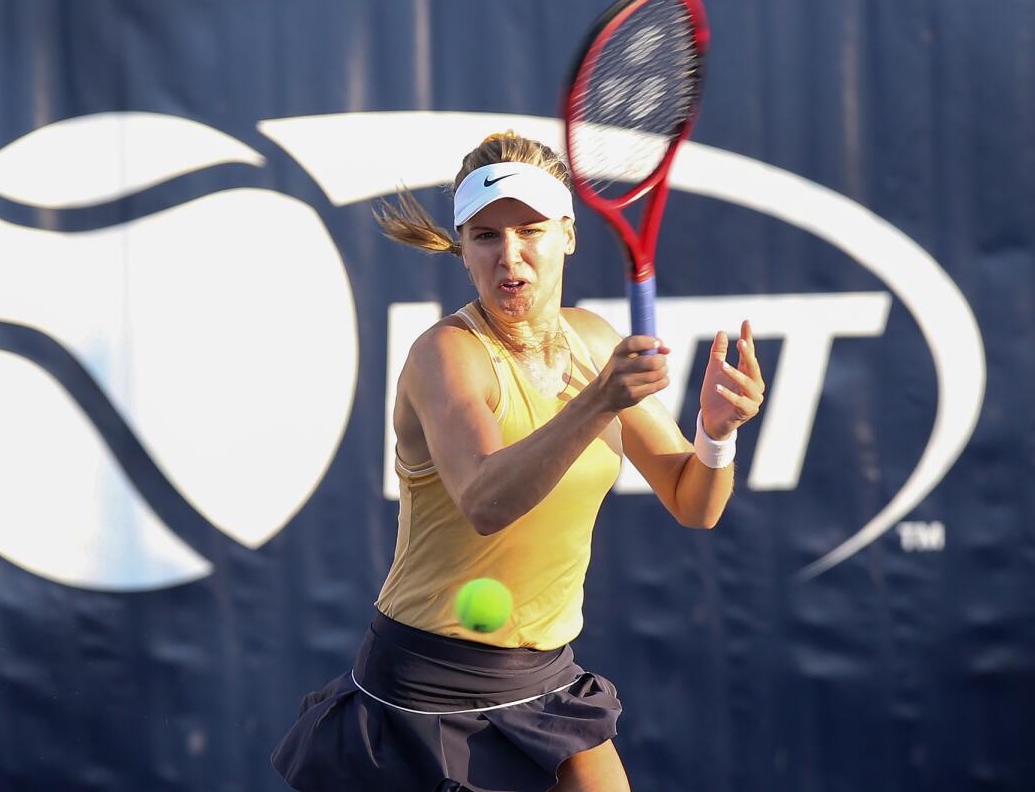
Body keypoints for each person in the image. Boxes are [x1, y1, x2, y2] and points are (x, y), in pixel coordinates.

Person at [272, 131, 765, 791]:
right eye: (485, 236)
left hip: (544, 677)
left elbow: (694, 501)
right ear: (463, 251)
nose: (512, 258)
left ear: (567, 234)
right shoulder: (445, 355)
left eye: (530, 231)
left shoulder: (593, 341)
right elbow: (485, 501)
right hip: (426, 692)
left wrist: (716, 432)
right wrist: (595, 403)